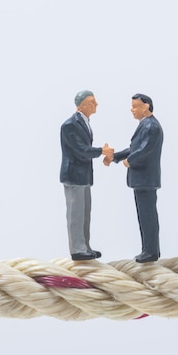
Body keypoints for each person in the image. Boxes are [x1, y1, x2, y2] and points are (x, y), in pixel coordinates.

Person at [104, 93, 163, 263]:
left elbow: (144, 150)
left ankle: (151, 251)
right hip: (142, 179)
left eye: (135, 106)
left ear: (146, 106)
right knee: (144, 216)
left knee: (147, 217)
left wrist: (129, 161)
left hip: (146, 179)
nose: (132, 110)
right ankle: (149, 249)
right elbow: (133, 148)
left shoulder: (151, 126)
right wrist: (115, 157)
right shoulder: (145, 125)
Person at [60, 90, 113, 261]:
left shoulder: (84, 123)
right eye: (92, 102)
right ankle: (77, 249)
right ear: (82, 105)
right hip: (74, 176)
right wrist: (102, 151)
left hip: (83, 176)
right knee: (75, 214)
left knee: (84, 213)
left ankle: (85, 246)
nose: (96, 104)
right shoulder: (70, 125)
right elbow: (81, 151)